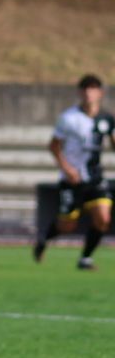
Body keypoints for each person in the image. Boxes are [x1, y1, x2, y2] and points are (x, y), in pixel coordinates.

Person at [34, 74, 113, 271]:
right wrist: (67, 169)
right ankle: (44, 239)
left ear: (100, 93)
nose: (88, 93)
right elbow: (53, 146)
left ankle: (85, 259)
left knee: (103, 218)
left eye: (93, 89)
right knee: (67, 225)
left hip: (95, 178)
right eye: (85, 89)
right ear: (79, 92)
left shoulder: (107, 119)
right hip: (72, 180)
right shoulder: (69, 118)